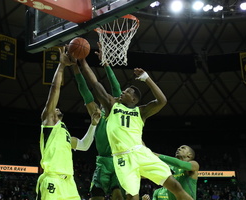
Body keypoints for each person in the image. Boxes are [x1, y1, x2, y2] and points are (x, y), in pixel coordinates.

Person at [78, 54, 193, 200]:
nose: (122, 93)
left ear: (133, 99)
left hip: (141, 152)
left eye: (126, 92)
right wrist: (82, 61)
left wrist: (146, 78)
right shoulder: (112, 105)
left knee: (175, 186)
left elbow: (162, 100)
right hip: (122, 158)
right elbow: (95, 84)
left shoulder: (141, 111)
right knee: (132, 197)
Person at [36, 46, 101, 200]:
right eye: (54, 107)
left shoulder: (65, 133)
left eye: (57, 107)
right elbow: (54, 89)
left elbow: (84, 146)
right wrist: (61, 66)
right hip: (52, 180)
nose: (56, 107)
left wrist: (93, 124)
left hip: (69, 183)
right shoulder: (49, 122)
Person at [70, 50, 124, 200]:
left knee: (118, 195)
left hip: (119, 159)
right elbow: (84, 90)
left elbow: (115, 85)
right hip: (102, 162)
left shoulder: (117, 111)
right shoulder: (96, 114)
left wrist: (106, 64)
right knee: (96, 196)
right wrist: (75, 66)